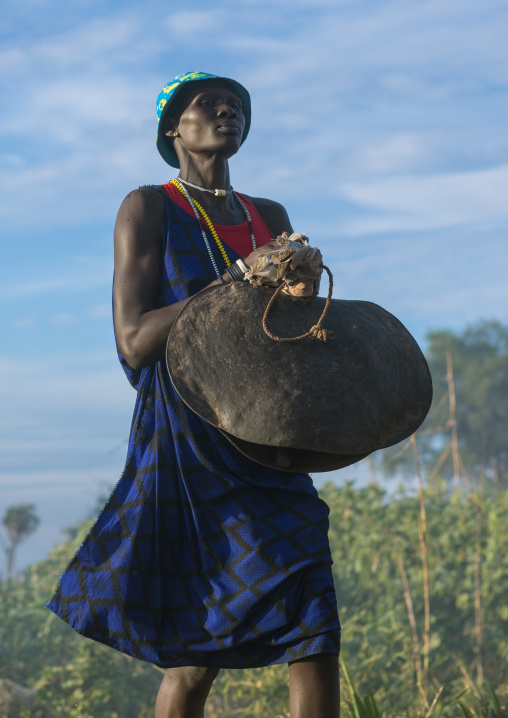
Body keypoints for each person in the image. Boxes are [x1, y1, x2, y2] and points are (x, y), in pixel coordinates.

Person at [47, 71, 341, 718]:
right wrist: (242, 276)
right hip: (189, 442)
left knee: (315, 622)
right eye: (207, 104)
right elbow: (134, 339)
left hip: (268, 438)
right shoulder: (150, 206)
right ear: (172, 128)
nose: (226, 110)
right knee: (195, 652)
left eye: (234, 105)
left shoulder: (271, 217)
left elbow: (287, 335)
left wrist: (301, 286)